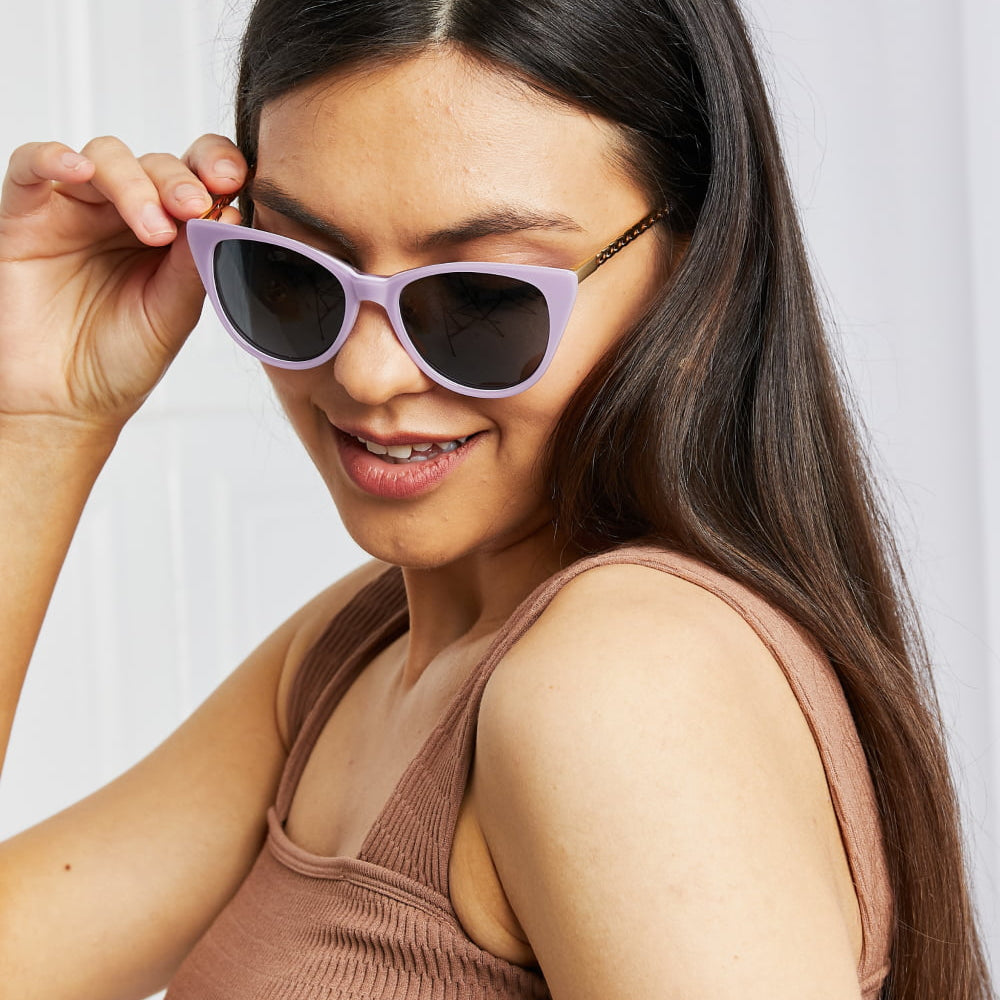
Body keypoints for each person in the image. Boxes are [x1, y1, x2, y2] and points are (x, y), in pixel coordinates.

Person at [0, 0, 993, 997]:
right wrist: (40, 410)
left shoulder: (624, 681)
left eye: (481, 298)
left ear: (693, 272)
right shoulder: (361, 652)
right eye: (297, 273)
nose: (369, 370)